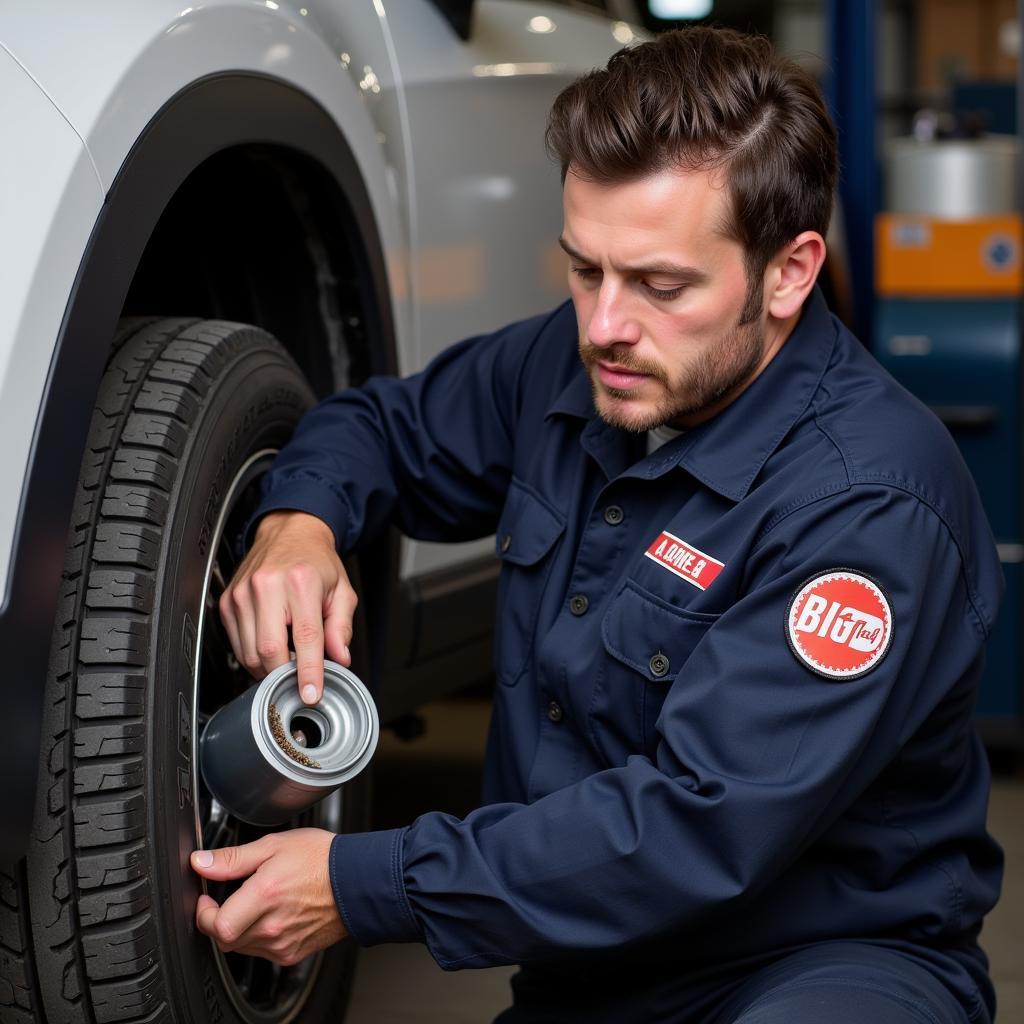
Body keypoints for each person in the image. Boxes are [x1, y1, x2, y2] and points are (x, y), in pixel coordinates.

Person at [189, 27, 1004, 1023]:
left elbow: (692, 829)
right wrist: (298, 520)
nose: (604, 324)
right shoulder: (577, 363)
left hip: (822, 968)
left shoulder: (868, 503)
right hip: (593, 977)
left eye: (661, 285)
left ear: (789, 273)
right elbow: (380, 426)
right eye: (584, 269)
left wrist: (364, 882)